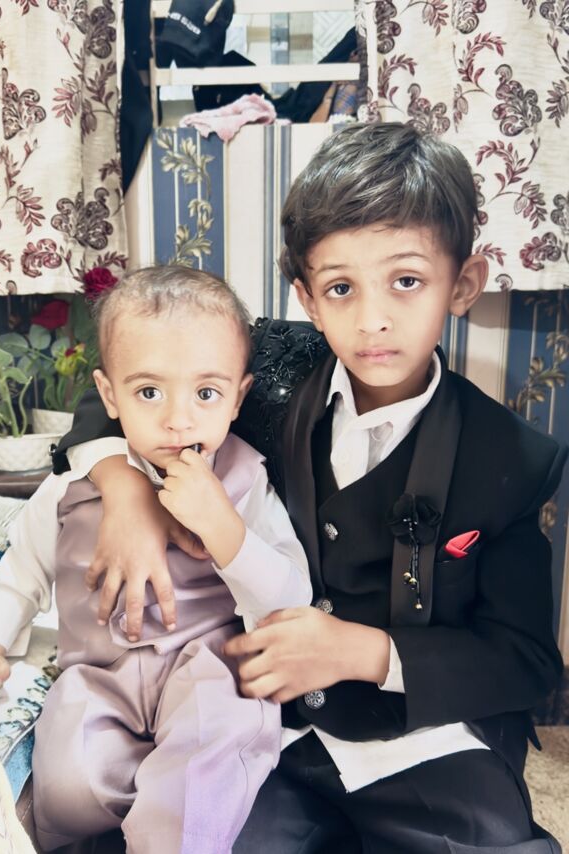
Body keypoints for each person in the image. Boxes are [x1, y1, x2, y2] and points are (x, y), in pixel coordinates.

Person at [53, 123, 566, 852]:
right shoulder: (264, 368)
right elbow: (110, 385)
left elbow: (524, 660)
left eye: (407, 281)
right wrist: (125, 493)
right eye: (341, 288)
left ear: (462, 284)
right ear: (309, 299)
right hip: (267, 724)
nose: (373, 319)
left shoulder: (509, 457)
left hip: (423, 739)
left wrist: (362, 652)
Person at [0, 266, 312, 854]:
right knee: (70, 781)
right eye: (149, 392)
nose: (178, 420)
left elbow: (290, 595)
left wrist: (226, 532)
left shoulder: (246, 479)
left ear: (238, 397)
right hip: (99, 669)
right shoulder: (72, 484)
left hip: (209, 660)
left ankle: (178, 834)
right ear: (110, 396)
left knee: (217, 736)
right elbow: (23, 566)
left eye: (206, 393)